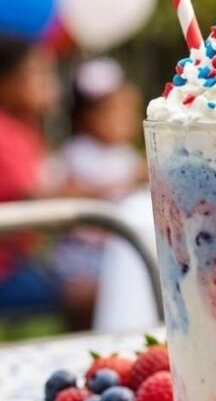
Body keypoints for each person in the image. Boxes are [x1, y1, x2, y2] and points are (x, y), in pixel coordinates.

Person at [54, 57, 146, 291]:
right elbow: (69, 194)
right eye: (116, 111)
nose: (127, 119)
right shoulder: (77, 153)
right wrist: (123, 181)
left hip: (122, 250)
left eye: (130, 109)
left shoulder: (126, 154)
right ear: (88, 116)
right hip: (85, 257)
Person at [0, 35, 64, 315]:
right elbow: (34, 196)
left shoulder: (26, 129)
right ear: (7, 81)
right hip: (7, 271)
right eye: (38, 73)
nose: (51, 85)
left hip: (20, 261)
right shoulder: (5, 133)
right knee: (90, 289)